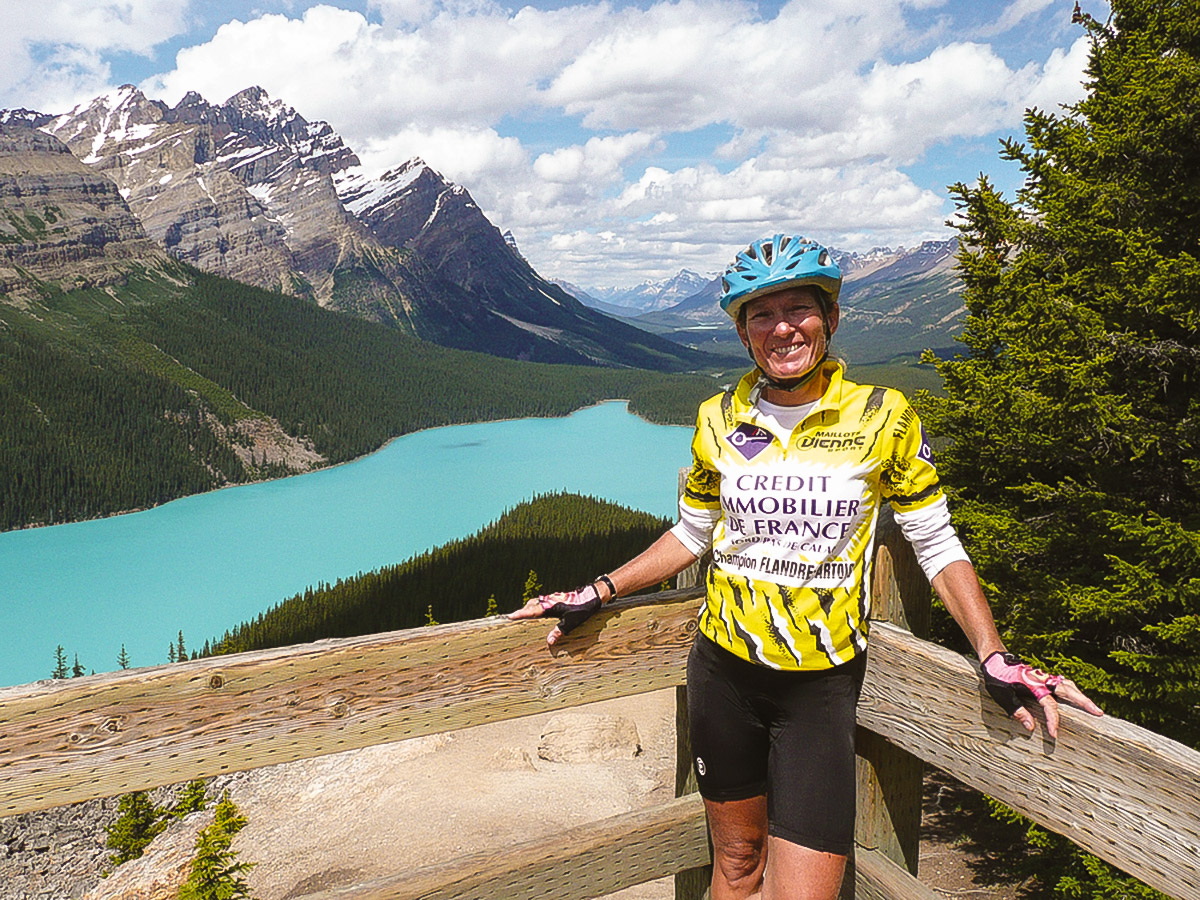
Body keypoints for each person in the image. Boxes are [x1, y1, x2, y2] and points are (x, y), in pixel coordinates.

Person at [510, 234, 1103, 900]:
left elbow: (936, 543)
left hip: (817, 691)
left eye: (800, 308)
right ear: (742, 333)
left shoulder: (884, 418)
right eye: (761, 314)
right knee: (734, 868)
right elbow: (693, 531)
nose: (783, 327)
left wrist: (992, 655)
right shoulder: (717, 417)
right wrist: (601, 588)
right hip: (723, 675)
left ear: (831, 319)